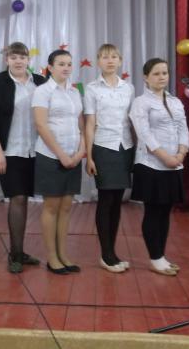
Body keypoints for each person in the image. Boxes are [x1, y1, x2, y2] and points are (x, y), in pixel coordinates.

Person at [0, 41, 46, 273]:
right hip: (10, 152)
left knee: (25, 198)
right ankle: (15, 254)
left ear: (29, 59)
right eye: (14, 57)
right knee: (17, 198)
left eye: (22, 57)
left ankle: (20, 250)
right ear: (6, 59)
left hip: (36, 150)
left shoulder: (40, 82)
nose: (18, 61)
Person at [129, 58, 189, 276]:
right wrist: (165, 157)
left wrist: (181, 153)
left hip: (174, 163)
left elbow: (183, 128)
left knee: (165, 212)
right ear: (146, 77)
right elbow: (144, 134)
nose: (162, 77)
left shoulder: (175, 101)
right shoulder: (140, 102)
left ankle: (161, 255)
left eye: (165, 73)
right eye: (156, 73)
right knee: (153, 211)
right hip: (151, 164)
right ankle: (155, 258)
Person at [32, 49, 85, 275]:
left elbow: (81, 125)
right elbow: (41, 125)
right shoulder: (42, 91)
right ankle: (52, 257)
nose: (66, 67)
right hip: (50, 156)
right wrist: (61, 155)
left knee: (66, 207)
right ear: (50, 67)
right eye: (61, 64)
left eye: (69, 64)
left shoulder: (75, 92)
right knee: (52, 207)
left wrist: (81, 152)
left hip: (74, 156)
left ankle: (63, 254)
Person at [84, 44, 135, 273]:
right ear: (98, 61)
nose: (110, 61)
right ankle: (105, 255)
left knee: (117, 200)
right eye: (105, 57)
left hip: (125, 146)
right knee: (106, 199)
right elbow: (90, 123)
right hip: (103, 146)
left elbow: (131, 121)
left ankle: (112, 252)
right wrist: (89, 156)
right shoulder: (92, 88)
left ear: (120, 60)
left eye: (114, 56)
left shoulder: (129, 88)